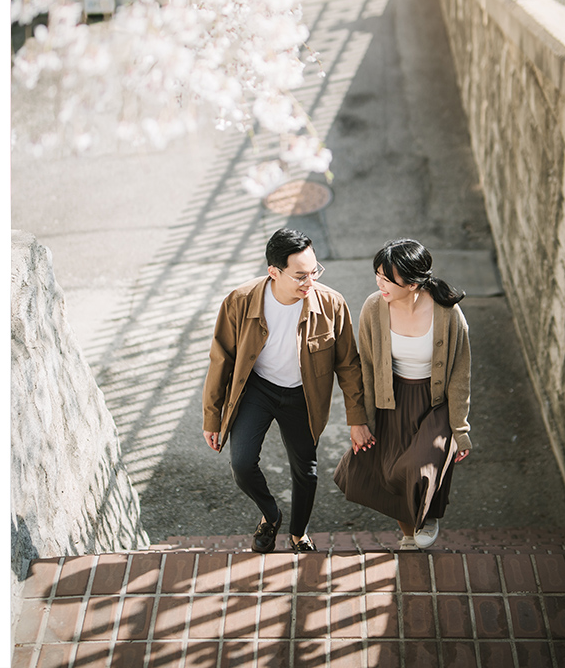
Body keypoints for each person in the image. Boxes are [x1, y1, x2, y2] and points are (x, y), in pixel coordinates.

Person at [202, 228, 368, 553]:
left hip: (302, 396)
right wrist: (212, 416)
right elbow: (221, 358)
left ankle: (298, 533)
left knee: (306, 472)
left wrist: (357, 418)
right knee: (242, 464)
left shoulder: (332, 305)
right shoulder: (240, 300)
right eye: (300, 276)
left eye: (314, 271)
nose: (310, 282)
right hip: (258, 390)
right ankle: (271, 515)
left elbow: (349, 364)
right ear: (274, 272)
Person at [333, 239, 471, 550]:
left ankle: (427, 514)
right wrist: (361, 420)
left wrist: (460, 430)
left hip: (434, 405)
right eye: (377, 275)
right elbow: (366, 367)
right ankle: (409, 536)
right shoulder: (373, 307)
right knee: (389, 472)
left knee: (416, 469)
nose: (379, 283)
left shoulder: (448, 313)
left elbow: (461, 375)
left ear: (412, 284)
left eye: (387, 279)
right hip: (390, 400)